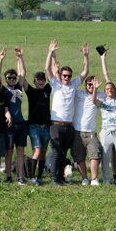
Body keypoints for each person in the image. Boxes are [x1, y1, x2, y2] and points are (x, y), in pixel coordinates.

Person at [45, 39, 88, 186]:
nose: (67, 78)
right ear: (61, 76)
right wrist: (51, 52)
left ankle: (61, 178)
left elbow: (85, 72)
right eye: (64, 75)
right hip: (56, 125)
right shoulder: (55, 85)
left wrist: (85, 56)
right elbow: (47, 70)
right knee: (56, 151)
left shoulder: (73, 85)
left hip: (69, 126)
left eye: (69, 76)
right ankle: (54, 179)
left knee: (63, 152)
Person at [16, 50, 51, 185]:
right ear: (34, 81)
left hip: (46, 126)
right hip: (34, 127)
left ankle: (39, 176)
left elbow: (52, 75)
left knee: (43, 152)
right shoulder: (31, 91)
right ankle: (31, 177)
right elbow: (22, 78)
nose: (41, 81)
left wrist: (52, 56)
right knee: (37, 150)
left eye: (43, 79)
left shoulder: (47, 90)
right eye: (38, 79)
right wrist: (20, 58)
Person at [0, 49, 28, 184]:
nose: (11, 79)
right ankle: (9, 176)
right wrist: (0, 60)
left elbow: (22, 73)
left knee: (20, 150)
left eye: (13, 78)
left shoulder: (18, 87)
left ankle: (21, 176)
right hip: (9, 124)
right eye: (9, 77)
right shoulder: (3, 89)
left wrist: (20, 58)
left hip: (20, 123)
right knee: (9, 151)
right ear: (6, 79)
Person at [72, 75, 103, 185]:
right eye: (89, 84)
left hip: (91, 132)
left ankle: (94, 179)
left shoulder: (100, 95)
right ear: (85, 85)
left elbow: (114, 91)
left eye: (93, 84)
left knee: (95, 154)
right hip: (77, 131)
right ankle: (84, 179)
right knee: (79, 156)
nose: (91, 86)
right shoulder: (78, 94)